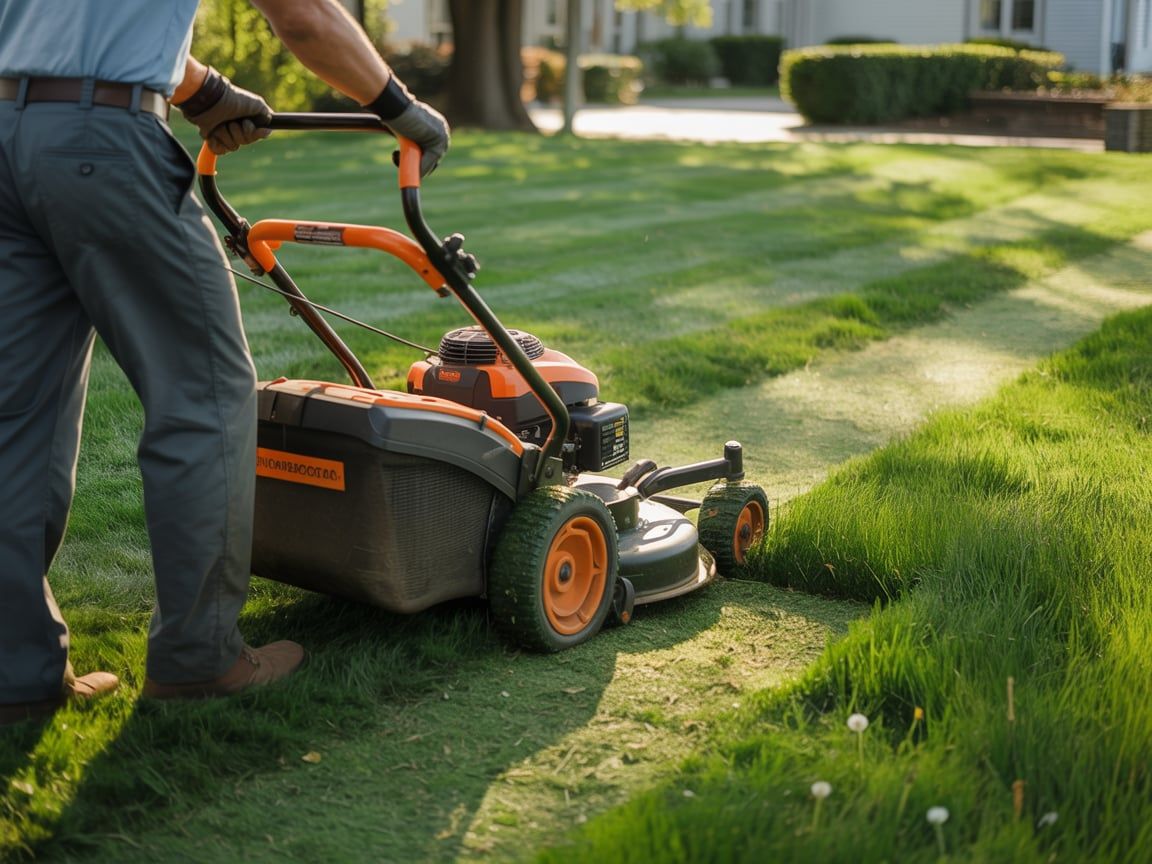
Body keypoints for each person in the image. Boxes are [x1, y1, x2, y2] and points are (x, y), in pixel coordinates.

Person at [0, 0, 450, 724]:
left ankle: (14, 674)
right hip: (101, 137)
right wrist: (401, 108)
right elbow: (303, 15)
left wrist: (204, 92)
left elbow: (66, 35)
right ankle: (199, 659)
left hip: (7, 135)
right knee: (202, 395)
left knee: (16, 413)